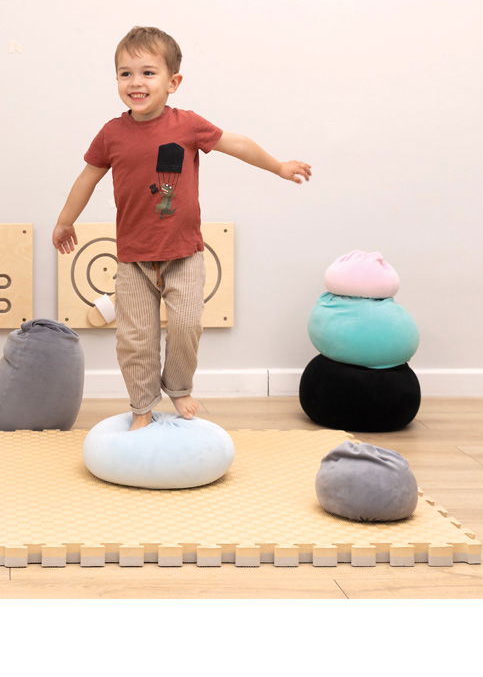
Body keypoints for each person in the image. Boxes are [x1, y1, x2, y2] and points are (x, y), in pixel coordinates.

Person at [52, 26, 311, 429]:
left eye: (148, 73)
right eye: (125, 74)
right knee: (135, 338)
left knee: (187, 325)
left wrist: (278, 166)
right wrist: (65, 220)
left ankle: (178, 386)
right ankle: (142, 406)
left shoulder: (188, 125)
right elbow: (87, 178)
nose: (135, 82)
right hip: (134, 259)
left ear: (173, 82)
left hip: (184, 254)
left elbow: (237, 143)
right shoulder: (112, 134)